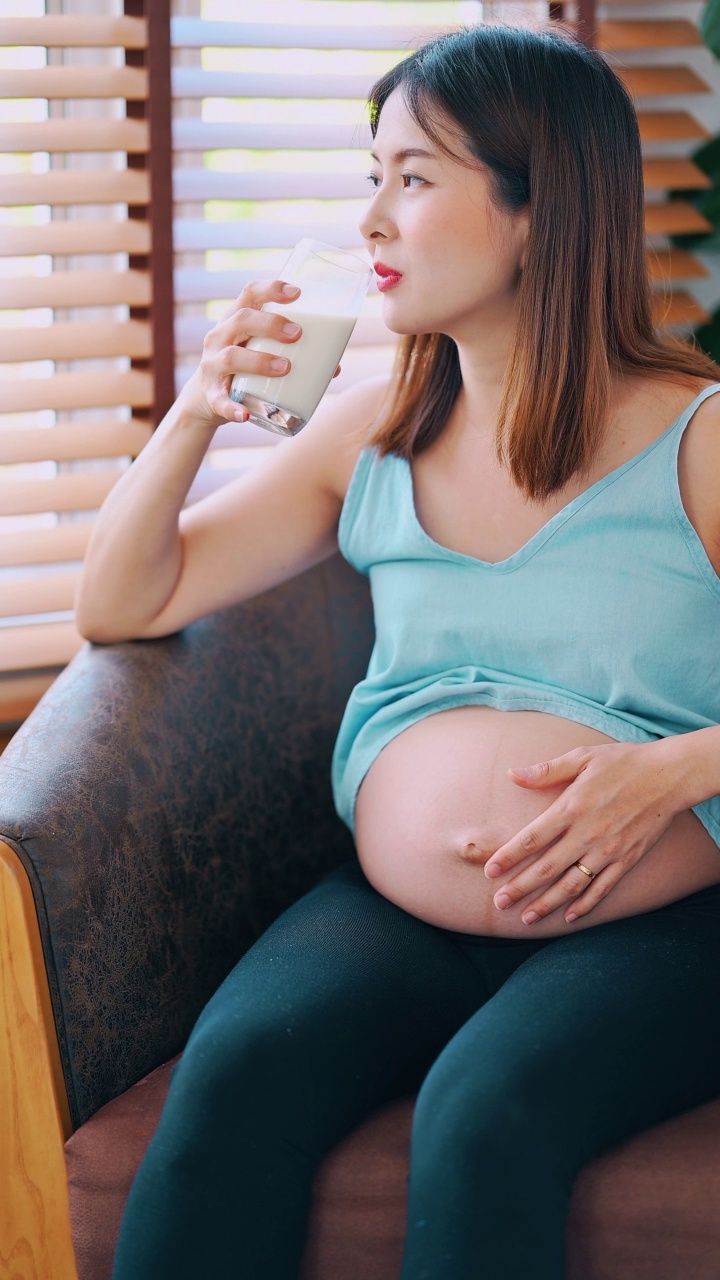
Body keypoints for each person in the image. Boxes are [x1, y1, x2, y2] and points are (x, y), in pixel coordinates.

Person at [76, 21, 720, 1280]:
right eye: (371, 173)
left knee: (485, 1112)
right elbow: (123, 600)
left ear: (541, 206)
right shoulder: (375, 429)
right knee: (237, 1077)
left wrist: (678, 770)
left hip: (661, 917)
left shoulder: (697, 439)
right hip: (400, 911)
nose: (372, 217)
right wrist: (198, 411)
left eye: (414, 178)